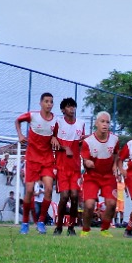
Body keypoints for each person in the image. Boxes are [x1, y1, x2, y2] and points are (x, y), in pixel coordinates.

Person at [14, 92, 58, 235]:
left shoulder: (55, 121)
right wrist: (20, 135)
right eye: (46, 101)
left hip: (47, 160)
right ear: (40, 103)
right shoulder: (32, 116)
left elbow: (57, 136)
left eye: (51, 102)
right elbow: (17, 120)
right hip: (32, 159)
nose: (49, 104)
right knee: (29, 190)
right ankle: (25, 222)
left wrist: (55, 139)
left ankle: (41, 221)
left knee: (49, 189)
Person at [79, 111, 120, 237]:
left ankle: (105, 229)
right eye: (102, 121)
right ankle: (85, 230)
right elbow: (85, 159)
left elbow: (116, 154)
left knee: (112, 204)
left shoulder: (115, 139)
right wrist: (87, 163)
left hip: (108, 177)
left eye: (107, 122)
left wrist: (115, 166)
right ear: (96, 123)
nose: (105, 124)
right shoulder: (88, 141)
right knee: (89, 205)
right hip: (92, 177)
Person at [50, 97, 86, 236]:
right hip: (62, 167)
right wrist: (65, 148)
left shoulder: (81, 124)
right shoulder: (58, 123)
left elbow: (81, 145)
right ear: (63, 110)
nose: (72, 109)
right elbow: (51, 141)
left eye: (73, 106)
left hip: (76, 168)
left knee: (75, 197)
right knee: (64, 197)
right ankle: (59, 227)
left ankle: (71, 228)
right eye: (69, 107)